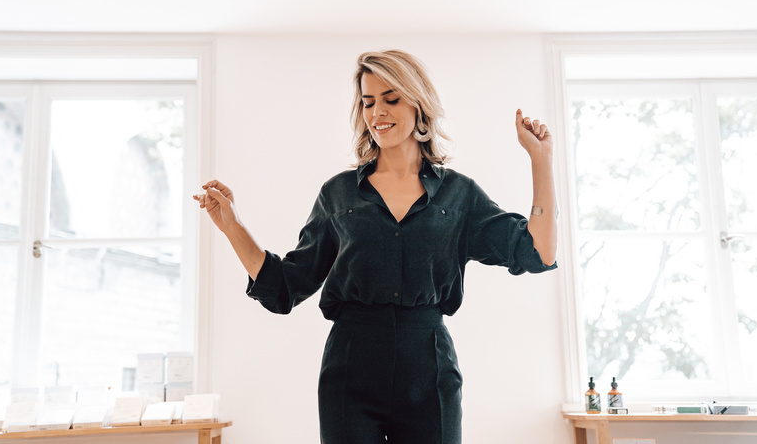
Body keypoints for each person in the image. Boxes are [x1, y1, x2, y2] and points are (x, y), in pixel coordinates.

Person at [194, 49, 558, 444]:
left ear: (418, 103)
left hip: (429, 368)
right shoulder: (338, 194)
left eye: (391, 99)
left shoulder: (459, 195)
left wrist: (541, 160)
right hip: (351, 368)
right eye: (368, 102)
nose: (377, 113)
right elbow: (285, 286)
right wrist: (232, 226)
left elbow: (539, 252)